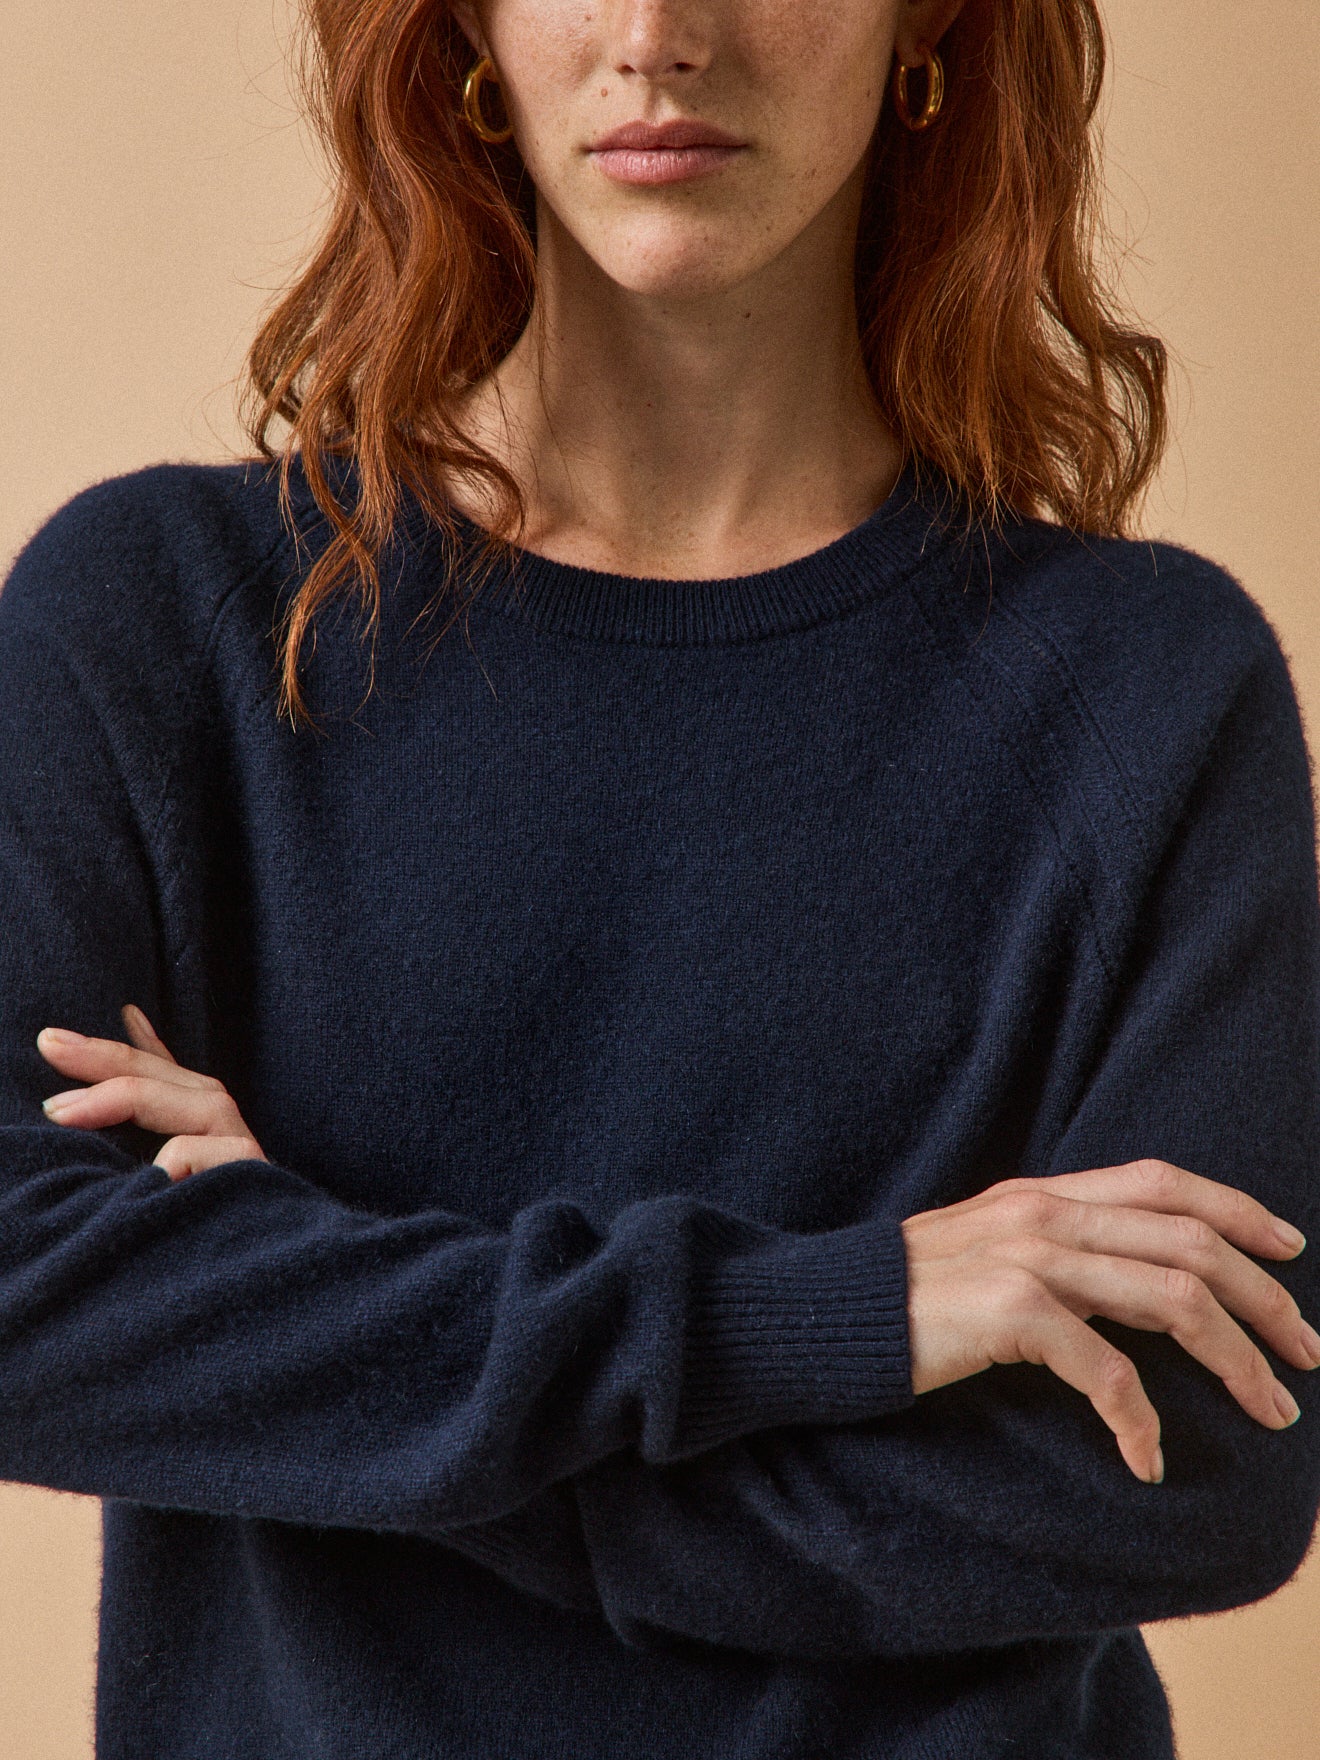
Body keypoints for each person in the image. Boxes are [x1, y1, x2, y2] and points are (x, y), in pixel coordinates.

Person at [1, 1, 1317, 1756]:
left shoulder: (1148, 691)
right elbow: (23, 1296)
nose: (657, 33)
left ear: (928, 21)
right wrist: (842, 1315)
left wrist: (328, 1350)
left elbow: (1200, 1469)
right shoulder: (168, 625)